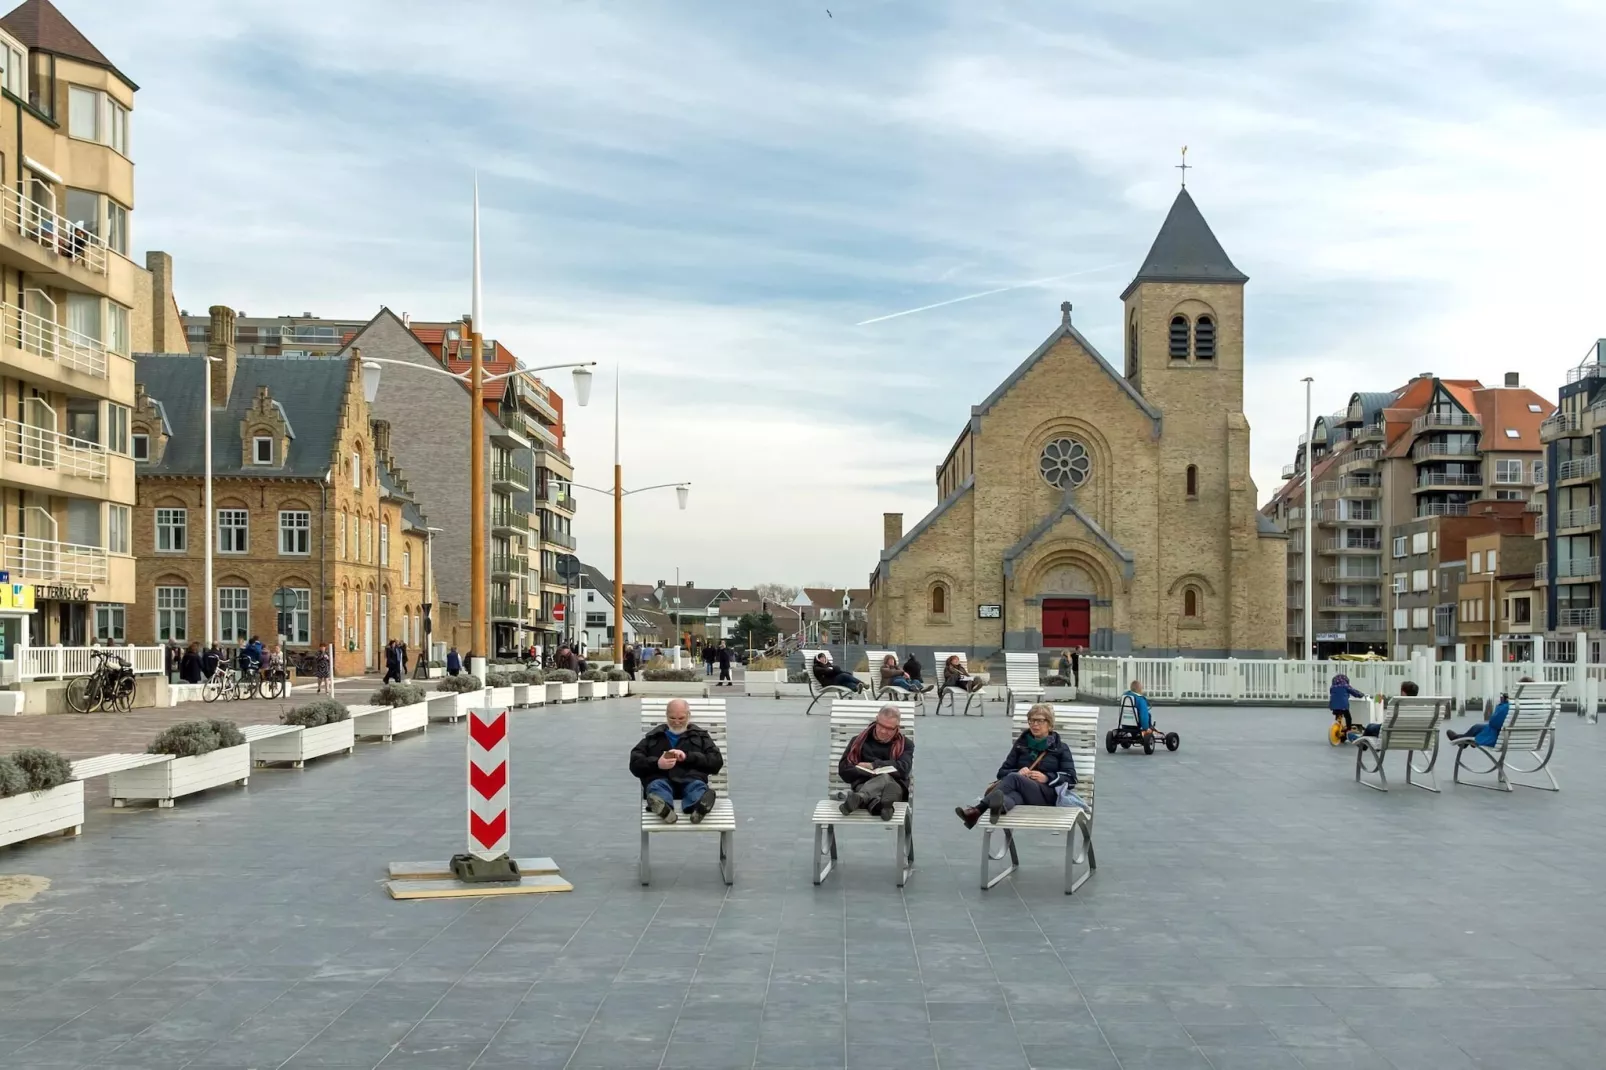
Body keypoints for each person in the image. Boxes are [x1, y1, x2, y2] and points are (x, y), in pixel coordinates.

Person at [956, 703, 1078, 828]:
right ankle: (998, 807)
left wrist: (1047, 777)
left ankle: (977, 811)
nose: (1035, 724)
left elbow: (1071, 778)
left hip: (1046, 795)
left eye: (1040, 721)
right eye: (1031, 720)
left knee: (1014, 778)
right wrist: (1019, 772)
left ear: (1050, 724)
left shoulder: (1060, 748)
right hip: (1023, 793)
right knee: (1011, 796)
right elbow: (1002, 772)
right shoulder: (1021, 745)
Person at [629, 698, 722, 824]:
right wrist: (657, 764)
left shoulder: (700, 736)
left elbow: (716, 762)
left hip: (691, 779)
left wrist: (688, 757)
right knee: (657, 787)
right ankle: (664, 808)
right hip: (661, 779)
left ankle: (699, 806)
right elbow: (635, 763)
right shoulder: (654, 736)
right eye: (672, 718)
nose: (677, 722)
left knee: (697, 787)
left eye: (681, 718)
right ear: (666, 716)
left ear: (689, 716)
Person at [838, 705, 913, 820]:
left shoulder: (905, 744)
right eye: (881, 726)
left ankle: (860, 798)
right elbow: (844, 770)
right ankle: (883, 807)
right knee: (884, 782)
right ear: (876, 720)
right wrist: (867, 772)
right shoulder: (859, 741)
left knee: (887, 780)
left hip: (895, 786)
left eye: (889, 728)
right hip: (864, 784)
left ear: (897, 727)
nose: (883, 731)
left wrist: (874, 766)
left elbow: (904, 769)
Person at [1447, 676, 1531, 744]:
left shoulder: (1512, 706)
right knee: (1477, 728)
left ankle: (1461, 740)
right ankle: (1462, 740)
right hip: (1528, 740)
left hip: (1504, 738)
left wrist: (1503, 704)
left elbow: (1493, 722)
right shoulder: (1540, 707)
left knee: (1477, 728)